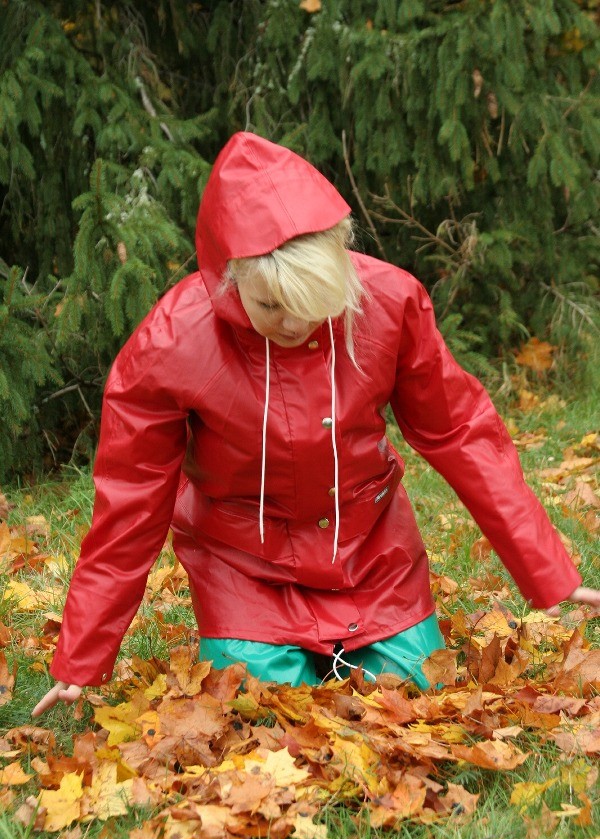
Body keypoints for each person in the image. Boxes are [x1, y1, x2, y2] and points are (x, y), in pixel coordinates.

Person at [32, 132, 599, 717]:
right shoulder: (171, 341)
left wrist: (547, 569)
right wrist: (82, 657)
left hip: (373, 552)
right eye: (270, 305)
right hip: (243, 566)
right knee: (259, 712)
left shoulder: (388, 300)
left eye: (310, 300)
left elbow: (459, 431)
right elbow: (131, 500)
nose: (294, 322)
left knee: (419, 698)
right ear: (230, 276)